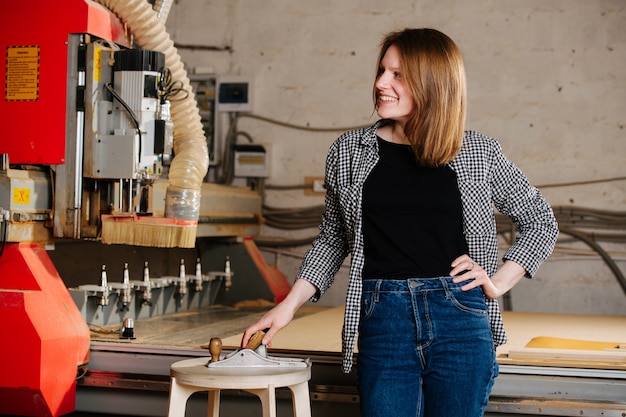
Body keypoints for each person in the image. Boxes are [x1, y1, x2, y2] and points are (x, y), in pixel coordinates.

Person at [242, 28, 558, 417]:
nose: (380, 84)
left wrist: (497, 283)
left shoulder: (477, 151)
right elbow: (332, 240)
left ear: (433, 84)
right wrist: (289, 306)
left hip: (459, 319)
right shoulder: (349, 151)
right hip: (384, 318)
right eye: (381, 71)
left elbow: (541, 221)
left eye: (397, 75)